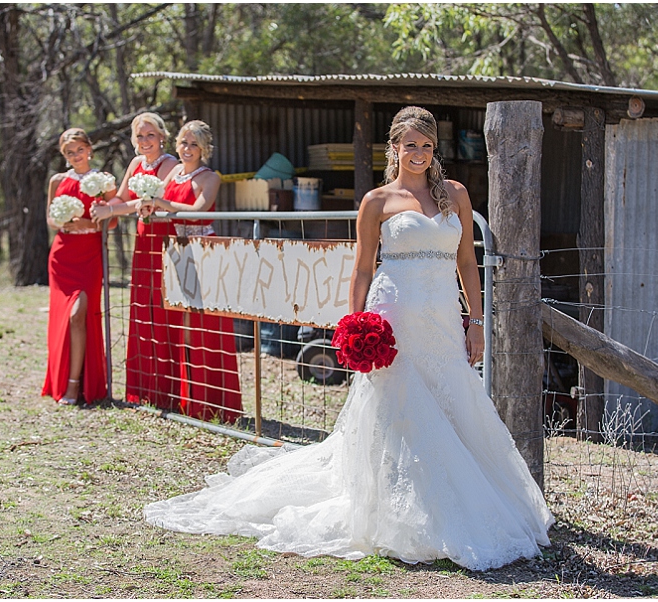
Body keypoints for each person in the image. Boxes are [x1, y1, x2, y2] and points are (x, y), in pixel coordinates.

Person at [143, 107, 553, 571]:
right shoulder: (377, 200)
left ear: (434, 150)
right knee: (401, 406)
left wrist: (475, 321)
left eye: (426, 146)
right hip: (394, 313)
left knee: (451, 399)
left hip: (442, 315)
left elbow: (466, 264)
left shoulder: (454, 195)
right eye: (409, 144)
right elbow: (361, 268)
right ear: (394, 148)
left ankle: (464, 499)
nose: (418, 153)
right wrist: (355, 325)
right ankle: (399, 505)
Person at [135, 120, 244, 423]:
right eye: (183, 142)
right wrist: (148, 206)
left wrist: (161, 203)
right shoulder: (172, 173)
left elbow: (198, 208)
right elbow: (160, 202)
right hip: (175, 250)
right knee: (179, 325)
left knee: (203, 323)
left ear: (205, 148)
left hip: (202, 249)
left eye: (194, 144)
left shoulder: (210, 177)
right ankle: (184, 397)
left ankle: (212, 402)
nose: (186, 148)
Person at [90, 112, 181, 410]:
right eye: (139, 136)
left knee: (164, 310)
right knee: (143, 308)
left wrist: (116, 211)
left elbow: (150, 202)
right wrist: (104, 205)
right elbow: (121, 199)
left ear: (163, 137)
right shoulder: (134, 164)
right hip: (142, 240)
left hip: (166, 243)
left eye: (150, 135)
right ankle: (144, 388)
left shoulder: (172, 164)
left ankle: (168, 389)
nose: (145, 141)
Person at [42, 128, 116, 405]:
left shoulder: (103, 180)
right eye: (69, 153)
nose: (75, 156)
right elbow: (50, 219)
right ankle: (64, 381)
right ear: (64, 155)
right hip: (62, 255)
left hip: (90, 255)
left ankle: (76, 385)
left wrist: (91, 223)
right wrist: (65, 222)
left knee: (79, 315)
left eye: (79, 150)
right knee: (64, 319)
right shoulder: (57, 180)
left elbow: (115, 219)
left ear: (89, 149)